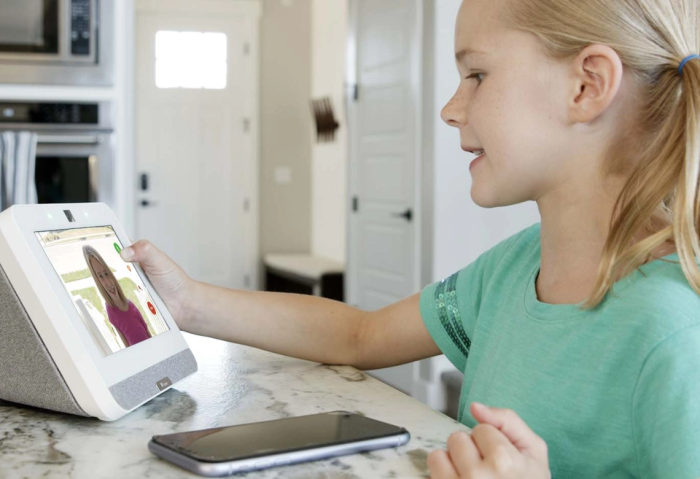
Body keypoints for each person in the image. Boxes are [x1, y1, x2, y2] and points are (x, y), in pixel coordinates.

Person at [119, 0, 700, 475]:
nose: (450, 109)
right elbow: (361, 336)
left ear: (587, 85)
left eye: (476, 74)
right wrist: (187, 301)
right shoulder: (514, 270)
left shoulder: (676, 335)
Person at [83, 245, 152, 348]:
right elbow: (127, 346)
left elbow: (147, 332)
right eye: (100, 276)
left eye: (106, 274)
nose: (107, 282)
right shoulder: (111, 312)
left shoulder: (130, 304)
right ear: (97, 281)